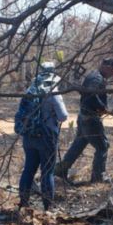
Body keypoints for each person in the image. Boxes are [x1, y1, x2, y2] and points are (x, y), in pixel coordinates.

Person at [54, 57, 113, 183]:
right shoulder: (96, 78)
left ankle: (60, 171)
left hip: (84, 117)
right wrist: (102, 107)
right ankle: (98, 177)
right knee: (102, 146)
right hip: (90, 119)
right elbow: (91, 95)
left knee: (79, 144)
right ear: (107, 67)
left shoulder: (95, 76)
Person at [17, 62, 68, 210]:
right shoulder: (53, 91)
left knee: (29, 169)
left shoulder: (30, 89)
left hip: (29, 136)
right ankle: (48, 207)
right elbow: (63, 116)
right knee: (47, 172)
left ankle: (24, 202)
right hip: (47, 137)